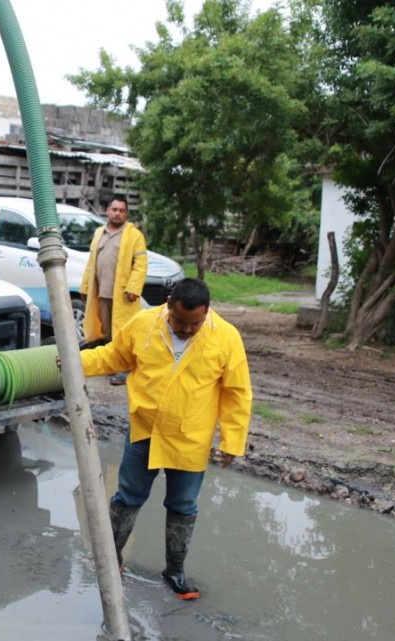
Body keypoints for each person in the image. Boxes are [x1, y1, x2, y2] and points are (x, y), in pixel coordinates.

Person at [80, 278, 252, 600]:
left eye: (195, 323)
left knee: (183, 506)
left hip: (190, 439)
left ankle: (175, 571)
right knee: (128, 497)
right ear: (168, 306)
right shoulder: (144, 323)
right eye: (181, 322)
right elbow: (113, 357)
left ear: (207, 312)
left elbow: (237, 394)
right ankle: (110, 558)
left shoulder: (226, 337)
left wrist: (232, 440)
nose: (187, 330)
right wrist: (78, 362)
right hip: (144, 430)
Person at [79, 195, 148, 385]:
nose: (117, 213)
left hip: (123, 295)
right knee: (107, 332)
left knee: (125, 333)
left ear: (126, 213)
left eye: (122, 210)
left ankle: (126, 369)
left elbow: (141, 264)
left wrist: (133, 287)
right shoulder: (99, 232)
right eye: (114, 209)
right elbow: (91, 263)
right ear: (108, 210)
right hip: (101, 293)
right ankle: (111, 364)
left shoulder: (134, 235)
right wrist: (85, 287)